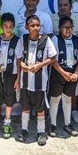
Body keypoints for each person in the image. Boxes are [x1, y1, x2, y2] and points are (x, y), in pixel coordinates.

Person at [15, 15, 57, 146]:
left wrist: (39, 65)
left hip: (40, 84)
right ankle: (24, 130)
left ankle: (41, 132)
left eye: (38, 25)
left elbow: (53, 58)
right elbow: (19, 57)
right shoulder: (23, 39)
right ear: (26, 27)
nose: (35, 28)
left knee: (40, 109)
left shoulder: (46, 40)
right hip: (25, 82)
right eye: (32, 25)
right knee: (26, 108)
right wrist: (22, 65)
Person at [50, 0, 78, 124]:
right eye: (60, 5)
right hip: (57, 63)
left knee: (71, 92)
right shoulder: (51, 19)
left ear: (71, 7)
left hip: (73, 63)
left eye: (65, 5)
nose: (63, 7)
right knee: (54, 94)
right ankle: (52, 120)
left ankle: (73, 112)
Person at [49, 16, 78, 138]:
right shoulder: (55, 39)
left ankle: (67, 124)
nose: (68, 30)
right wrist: (63, 73)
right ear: (60, 28)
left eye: (70, 28)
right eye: (65, 28)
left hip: (72, 74)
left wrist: (76, 73)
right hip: (58, 73)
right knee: (55, 99)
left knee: (67, 99)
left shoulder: (77, 40)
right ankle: (53, 124)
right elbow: (52, 60)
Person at [0, 13, 18, 139]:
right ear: (1, 26)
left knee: (10, 97)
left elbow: (19, 59)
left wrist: (18, 78)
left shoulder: (17, 40)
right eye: (5, 26)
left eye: (10, 26)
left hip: (11, 74)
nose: (8, 29)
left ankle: (7, 123)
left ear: (14, 27)